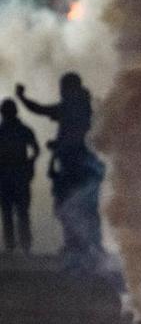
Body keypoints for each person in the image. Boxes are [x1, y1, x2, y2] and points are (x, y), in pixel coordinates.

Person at [16, 73, 105, 270]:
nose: (62, 91)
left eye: (64, 87)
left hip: (77, 163)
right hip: (82, 164)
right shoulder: (87, 106)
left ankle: (82, 246)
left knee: (70, 205)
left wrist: (22, 98)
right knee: (82, 206)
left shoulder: (73, 107)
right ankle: (87, 246)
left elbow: (41, 110)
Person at [0, 98, 39, 254]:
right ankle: (20, 245)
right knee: (15, 212)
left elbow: (35, 150)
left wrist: (29, 164)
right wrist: (29, 165)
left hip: (14, 174)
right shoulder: (22, 130)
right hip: (12, 174)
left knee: (15, 212)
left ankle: (21, 244)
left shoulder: (20, 130)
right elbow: (35, 150)